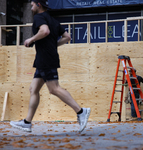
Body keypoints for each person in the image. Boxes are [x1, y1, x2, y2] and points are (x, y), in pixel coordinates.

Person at [10, 0, 90, 133]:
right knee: (33, 89)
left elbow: (44, 31)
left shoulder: (39, 17)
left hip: (46, 59)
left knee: (54, 89)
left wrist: (31, 39)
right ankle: (27, 122)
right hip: (44, 59)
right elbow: (67, 37)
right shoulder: (53, 20)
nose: (31, 8)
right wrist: (54, 45)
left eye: (32, 5)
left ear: (38, 4)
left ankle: (81, 111)